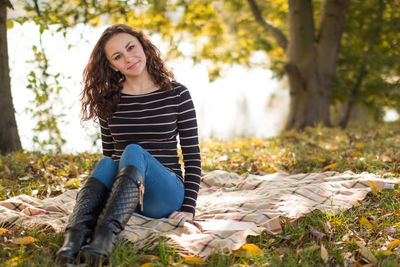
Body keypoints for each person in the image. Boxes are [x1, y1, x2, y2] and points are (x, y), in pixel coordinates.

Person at [56, 24, 201, 263]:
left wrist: (189, 208)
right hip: (127, 199)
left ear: (143, 46)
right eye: (117, 56)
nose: (128, 58)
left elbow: (192, 156)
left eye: (131, 47)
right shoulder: (108, 101)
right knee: (106, 163)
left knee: (134, 150)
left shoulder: (177, 94)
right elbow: (112, 158)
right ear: (111, 65)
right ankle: (72, 243)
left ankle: (104, 239)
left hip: (165, 193)